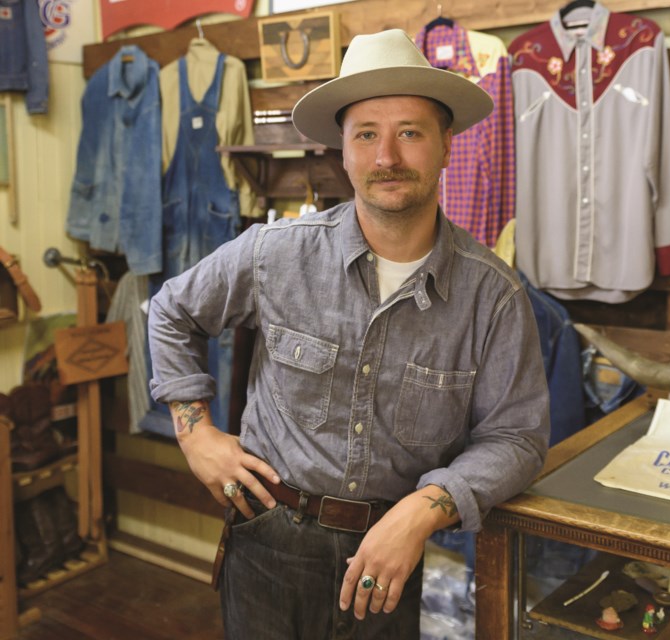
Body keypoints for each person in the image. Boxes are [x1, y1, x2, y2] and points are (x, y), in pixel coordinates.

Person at [147, 29, 551, 639]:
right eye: (367, 134)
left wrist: (422, 510)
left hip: (392, 556)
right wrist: (194, 432)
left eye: (410, 132)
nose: (387, 154)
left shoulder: (493, 296)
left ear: (447, 145)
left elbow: (516, 437)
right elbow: (170, 311)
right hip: (267, 543)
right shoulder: (273, 255)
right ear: (344, 150)